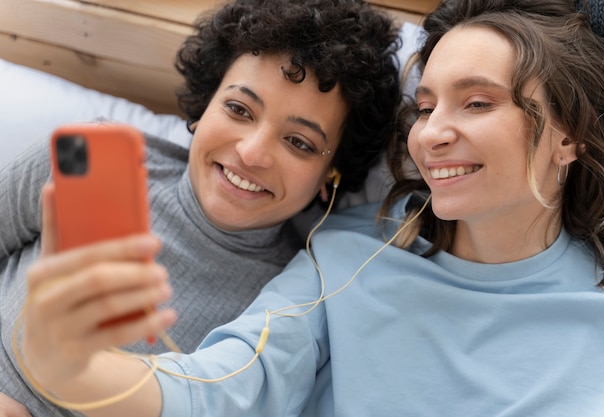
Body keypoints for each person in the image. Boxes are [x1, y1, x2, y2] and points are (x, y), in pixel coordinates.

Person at [17, 0, 604, 415]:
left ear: (569, 134)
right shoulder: (345, 258)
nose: (431, 134)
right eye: (425, 106)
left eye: (476, 104)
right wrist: (68, 369)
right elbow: (222, 391)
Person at [0, 0, 402, 416]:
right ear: (205, 105)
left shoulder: (284, 306)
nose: (252, 152)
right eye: (239, 109)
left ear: (330, 175)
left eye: (299, 142)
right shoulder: (89, 156)